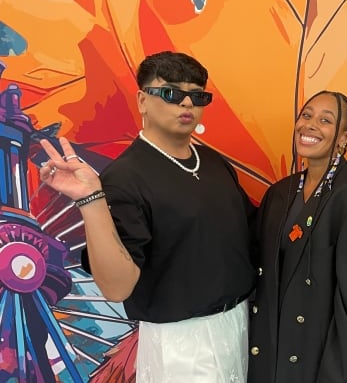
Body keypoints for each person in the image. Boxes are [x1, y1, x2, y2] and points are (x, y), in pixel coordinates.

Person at [37, 51, 256, 383]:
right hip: (181, 343)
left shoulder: (213, 162)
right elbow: (117, 286)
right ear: (142, 100)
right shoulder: (125, 178)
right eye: (171, 93)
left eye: (197, 96)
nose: (186, 104)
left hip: (240, 325)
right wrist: (91, 199)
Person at [247, 90, 347, 383]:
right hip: (274, 352)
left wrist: (339, 372)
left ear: (344, 137)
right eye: (307, 115)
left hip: (326, 360)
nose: (311, 125)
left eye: (326, 120)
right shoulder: (280, 193)